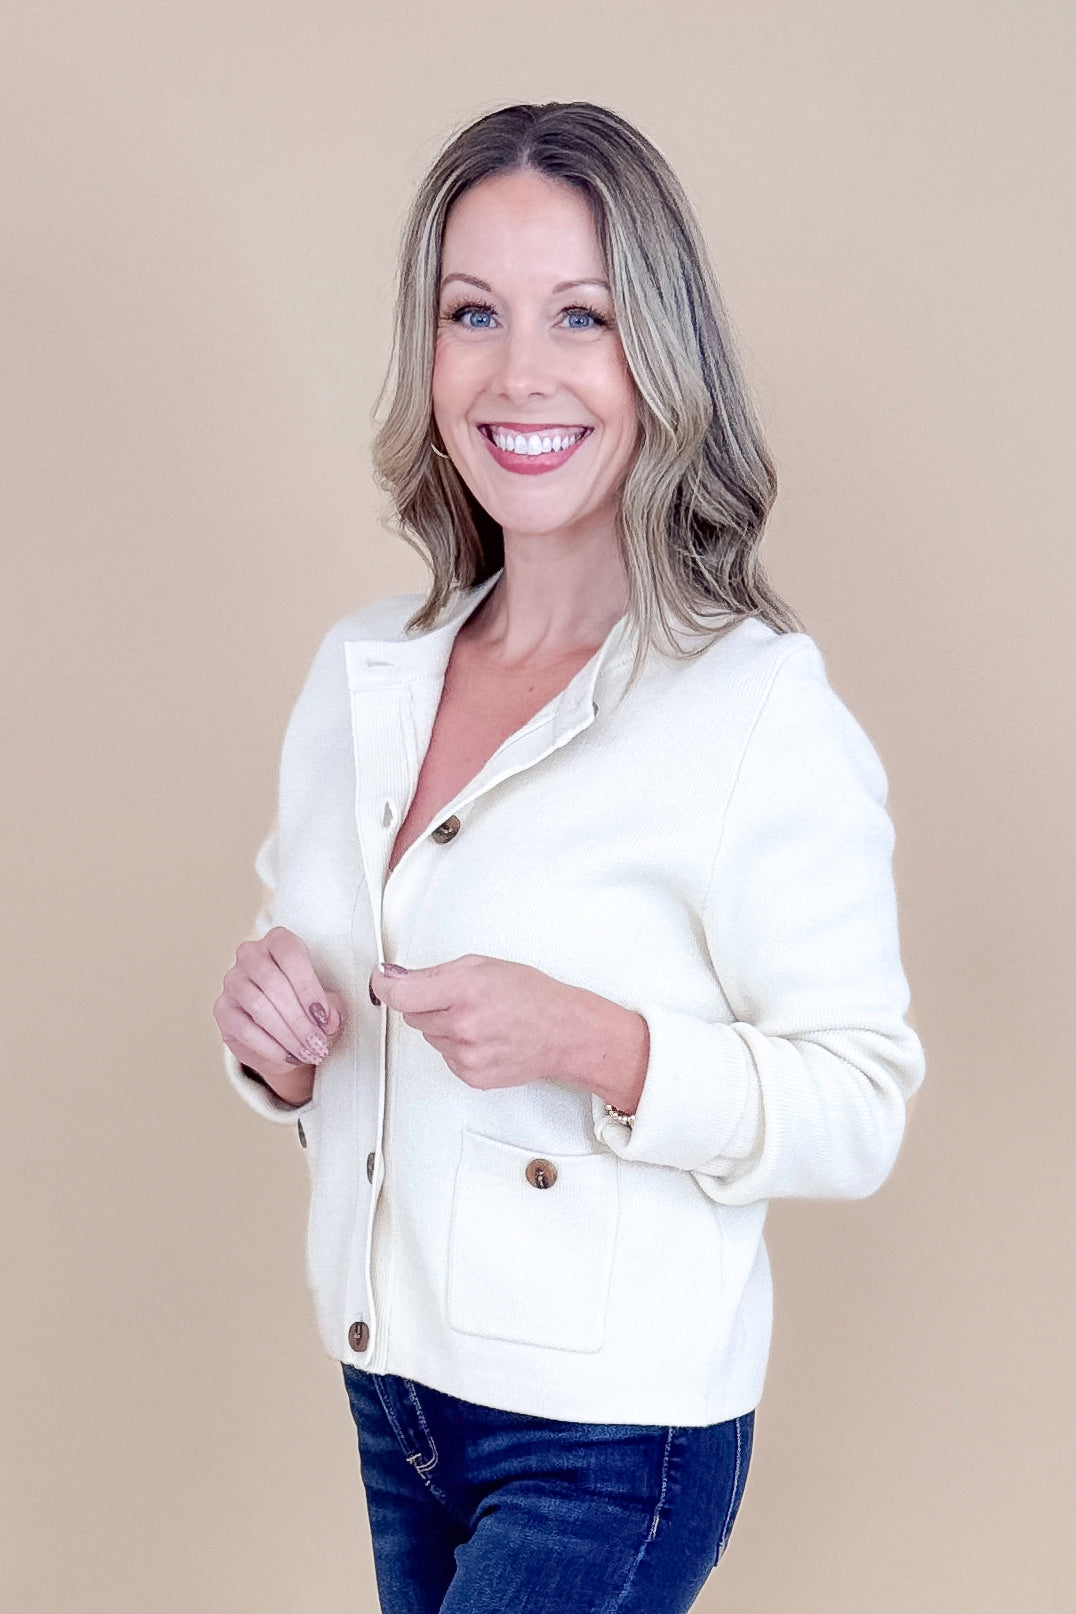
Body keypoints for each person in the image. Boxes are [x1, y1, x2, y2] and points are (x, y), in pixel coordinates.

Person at [213, 101, 926, 1614]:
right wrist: (276, 1042)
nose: (518, 371)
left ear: (656, 356)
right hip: (393, 1387)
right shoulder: (364, 673)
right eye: (472, 312)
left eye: (579, 317)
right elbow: (325, 1009)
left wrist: (595, 1041)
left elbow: (860, 1100)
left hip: (614, 1434)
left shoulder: (751, 707)